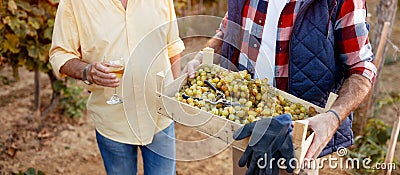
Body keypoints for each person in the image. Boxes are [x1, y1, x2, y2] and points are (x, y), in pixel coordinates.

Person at [185, 0, 376, 173]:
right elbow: (229, 28)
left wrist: (333, 117)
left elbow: (362, 68)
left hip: (294, 138)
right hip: (245, 124)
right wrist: (203, 56)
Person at [49, 0, 185, 174]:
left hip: (160, 115)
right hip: (112, 120)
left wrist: (173, 93)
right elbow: (60, 53)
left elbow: (172, 46)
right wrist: (87, 71)